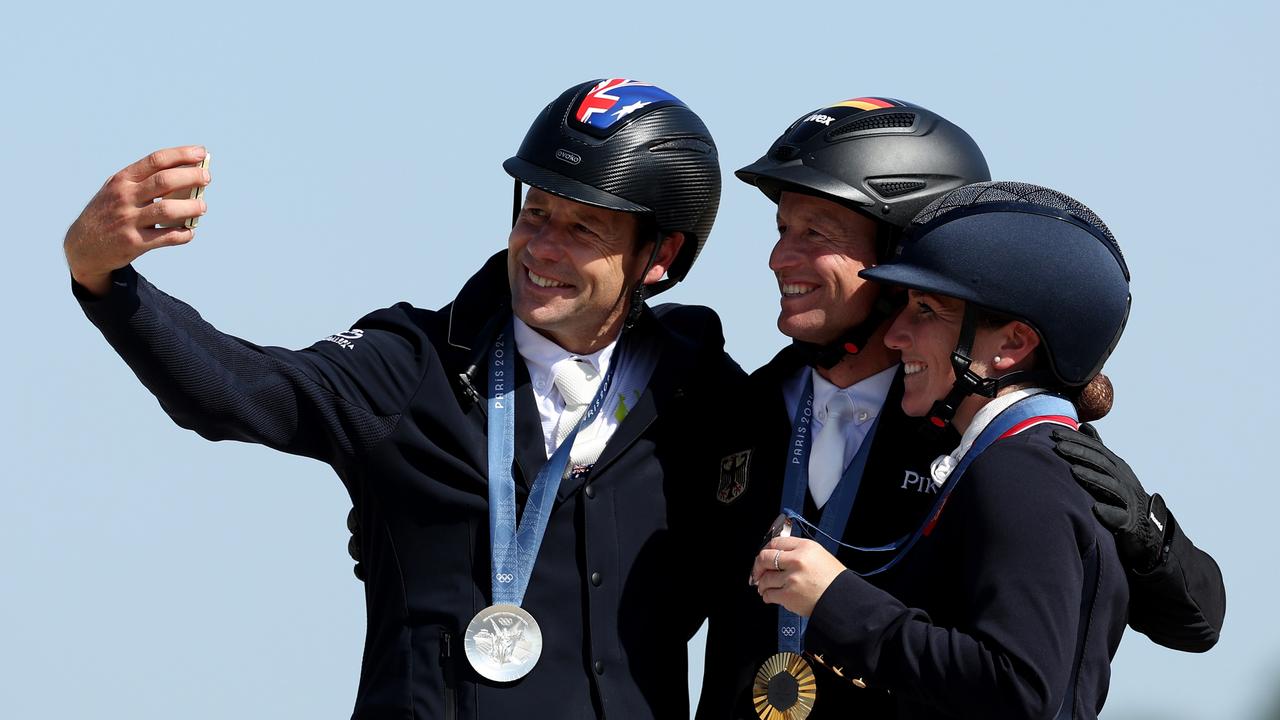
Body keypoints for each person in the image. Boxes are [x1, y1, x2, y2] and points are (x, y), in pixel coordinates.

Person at [65, 78, 738, 720]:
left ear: (660, 255)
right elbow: (241, 390)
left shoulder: (703, 396)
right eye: (535, 213)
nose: (542, 247)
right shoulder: (410, 365)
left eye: (583, 229)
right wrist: (105, 282)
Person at [695, 98, 1225, 719]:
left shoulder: (988, 435)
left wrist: (1146, 534)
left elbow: (1195, 622)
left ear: (899, 259)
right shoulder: (733, 410)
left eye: (816, 234)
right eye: (783, 230)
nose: (779, 259)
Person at [752, 180, 1135, 718]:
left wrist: (835, 597)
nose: (896, 334)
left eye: (927, 311)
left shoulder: (1018, 469)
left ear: (1012, 345)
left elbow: (1018, 687)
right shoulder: (1026, 455)